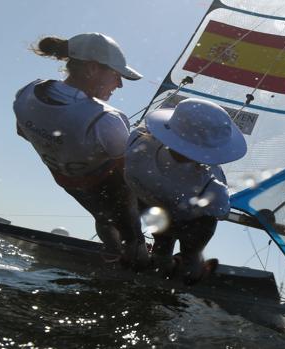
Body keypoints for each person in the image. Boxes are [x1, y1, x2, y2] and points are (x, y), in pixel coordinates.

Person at [13, 33, 149, 268]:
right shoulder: (106, 119)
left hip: (69, 182)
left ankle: (112, 250)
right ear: (91, 69)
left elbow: (22, 132)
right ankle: (140, 255)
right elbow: (131, 176)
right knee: (135, 225)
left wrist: (63, 146)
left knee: (103, 216)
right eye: (116, 75)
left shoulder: (27, 92)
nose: (120, 84)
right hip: (107, 184)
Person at [124, 98, 247, 283]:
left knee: (162, 246)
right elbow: (221, 212)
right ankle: (191, 273)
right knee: (192, 254)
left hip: (155, 215)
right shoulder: (212, 187)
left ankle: (163, 271)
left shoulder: (136, 143)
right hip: (192, 226)